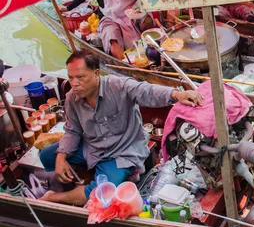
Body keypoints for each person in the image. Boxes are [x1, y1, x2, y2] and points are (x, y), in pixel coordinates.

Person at [39, 50, 203, 206]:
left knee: (101, 192)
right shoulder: (71, 98)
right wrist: (61, 158)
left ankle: (54, 197)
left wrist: (176, 95)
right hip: (93, 148)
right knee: (47, 155)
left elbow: (147, 91)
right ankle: (76, 180)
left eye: (80, 77)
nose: (74, 83)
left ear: (97, 74)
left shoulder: (118, 86)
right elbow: (72, 131)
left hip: (122, 152)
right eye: (71, 78)